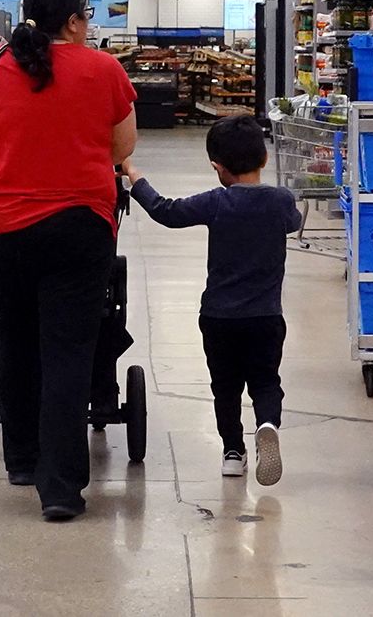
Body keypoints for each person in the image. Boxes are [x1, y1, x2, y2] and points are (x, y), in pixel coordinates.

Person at [0, 0, 136, 522]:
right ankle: (59, 489)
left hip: (0, 231)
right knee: (68, 353)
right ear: (76, 20)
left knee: (14, 341)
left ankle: (23, 460)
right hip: (78, 229)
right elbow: (121, 146)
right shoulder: (104, 69)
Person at [126, 115, 300, 487]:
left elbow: (166, 212)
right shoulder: (279, 201)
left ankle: (232, 453)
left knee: (225, 386)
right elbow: (293, 222)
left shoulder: (216, 202)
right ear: (264, 160)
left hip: (219, 317)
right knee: (266, 381)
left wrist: (134, 177)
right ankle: (267, 424)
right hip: (265, 316)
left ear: (217, 168)